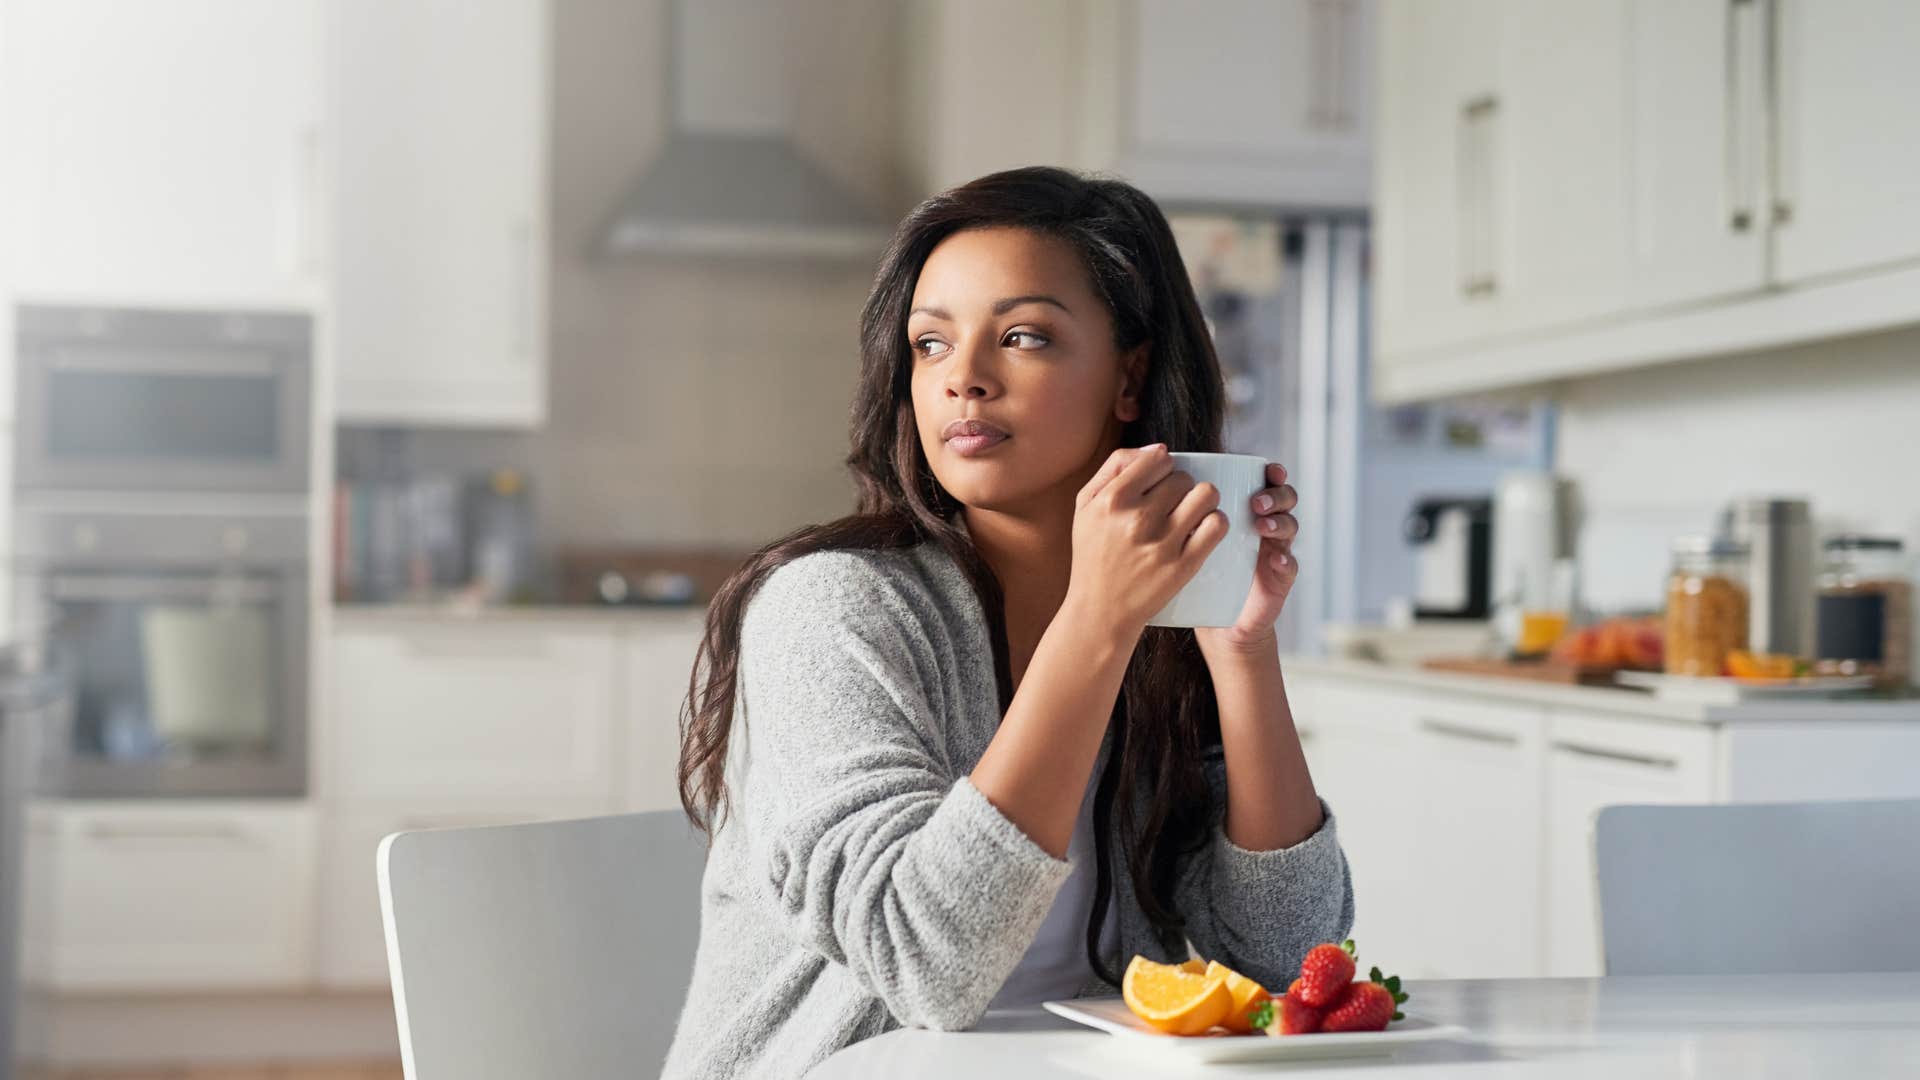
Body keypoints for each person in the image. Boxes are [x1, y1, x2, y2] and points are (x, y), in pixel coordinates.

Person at [661, 166, 1352, 1079]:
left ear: (1130, 376)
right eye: (930, 344)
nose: (965, 381)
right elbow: (927, 962)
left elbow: (1281, 961)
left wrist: (1240, 649)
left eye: (1022, 336)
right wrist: (1095, 625)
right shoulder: (832, 609)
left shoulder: (1154, 632)